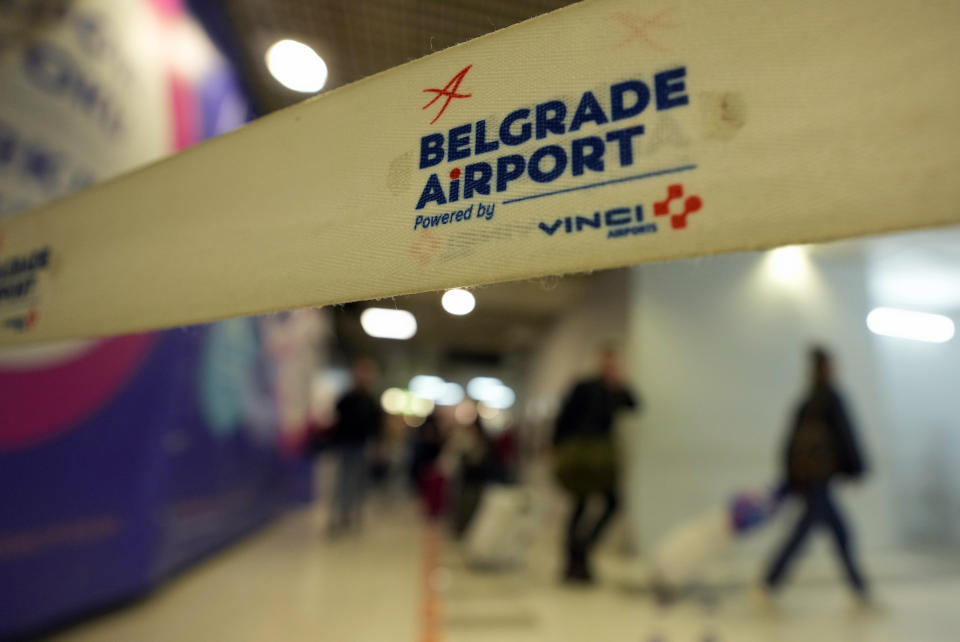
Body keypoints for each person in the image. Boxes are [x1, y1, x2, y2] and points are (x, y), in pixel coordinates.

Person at [763, 347, 870, 601]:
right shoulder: (830, 399)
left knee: (838, 534)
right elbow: (846, 435)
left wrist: (791, 477)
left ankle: (860, 591)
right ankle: (768, 584)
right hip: (818, 481)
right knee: (809, 533)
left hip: (812, 481)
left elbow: (789, 442)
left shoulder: (805, 401)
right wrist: (857, 468)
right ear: (825, 367)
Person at [553, 348, 639, 583]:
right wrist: (557, 449)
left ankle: (582, 551)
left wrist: (620, 384)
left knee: (611, 503)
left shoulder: (614, 390)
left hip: (603, 455)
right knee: (579, 505)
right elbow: (564, 417)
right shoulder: (584, 386)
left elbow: (634, 405)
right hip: (581, 454)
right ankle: (573, 560)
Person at [329, 358, 382, 535]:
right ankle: (340, 516)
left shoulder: (370, 400)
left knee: (359, 483)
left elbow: (376, 425)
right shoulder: (347, 398)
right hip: (346, 445)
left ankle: (354, 517)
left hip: (362, 445)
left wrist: (376, 445)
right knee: (344, 481)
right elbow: (337, 419)